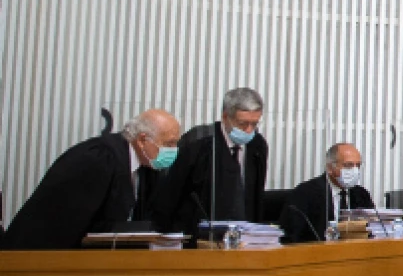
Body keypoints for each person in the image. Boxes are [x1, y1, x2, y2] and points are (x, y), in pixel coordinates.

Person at [1, 109, 181, 250]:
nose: (173, 150)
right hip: (34, 261)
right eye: (169, 144)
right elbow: (65, 225)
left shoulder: (145, 170)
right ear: (142, 140)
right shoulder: (99, 158)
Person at [152, 88, 269, 235]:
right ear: (226, 117)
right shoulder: (197, 141)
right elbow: (170, 195)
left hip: (243, 238)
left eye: (254, 124)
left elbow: (255, 196)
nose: (248, 130)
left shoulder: (257, 145)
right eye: (242, 124)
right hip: (197, 236)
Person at [278, 143, 376, 243]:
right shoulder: (305, 193)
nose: (355, 171)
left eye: (358, 166)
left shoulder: (361, 194)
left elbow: (373, 231)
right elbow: (291, 237)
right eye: (348, 165)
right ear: (330, 168)